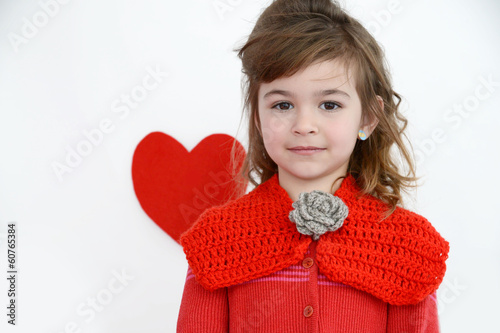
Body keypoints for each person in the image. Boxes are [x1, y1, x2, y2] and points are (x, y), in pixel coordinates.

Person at [177, 0, 449, 332]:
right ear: (258, 117)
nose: (304, 124)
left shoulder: (409, 247)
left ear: (368, 117)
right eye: (283, 104)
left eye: (330, 104)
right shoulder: (217, 240)